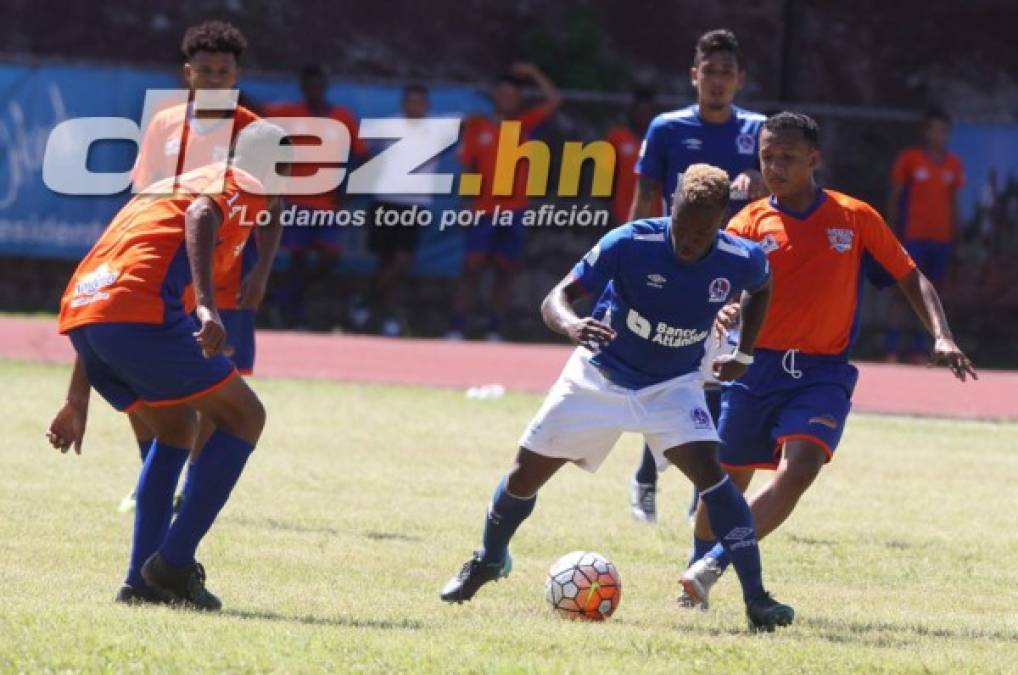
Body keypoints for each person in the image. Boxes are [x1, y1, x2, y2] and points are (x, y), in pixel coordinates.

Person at [439, 164, 795, 632]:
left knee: (713, 475)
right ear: (671, 207)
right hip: (600, 375)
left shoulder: (739, 256)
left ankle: (756, 599)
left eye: (702, 232)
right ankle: (488, 558)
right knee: (526, 473)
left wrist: (745, 352)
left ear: (719, 224)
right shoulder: (630, 242)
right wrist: (572, 324)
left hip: (672, 385)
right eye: (682, 227)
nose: (689, 241)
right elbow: (557, 297)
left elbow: (763, 286)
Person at [679, 113, 977, 610]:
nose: (775, 166)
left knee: (800, 469)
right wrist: (724, 309)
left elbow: (910, 277)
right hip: (754, 368)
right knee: (723, 484)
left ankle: (714, 565)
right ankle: (694, 574)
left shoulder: (854, 217)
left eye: (788, 157)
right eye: (767, 157)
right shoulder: (747, 223)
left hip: (822, 372)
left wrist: (942, 336)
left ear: (814, 159)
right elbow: (720, 287)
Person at [46, 121, 291, 610]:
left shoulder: (165, 188)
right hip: (136, 314)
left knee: (176, 428)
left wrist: (77, 398)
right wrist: (207, 305)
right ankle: (174, 562)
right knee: (246, 416)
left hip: (86, 315)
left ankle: (140, 581)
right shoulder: (244, 183)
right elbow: (203, 215)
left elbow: (110, 289)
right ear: (277, 170)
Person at [122, 19, 282, 513]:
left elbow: (271, 211)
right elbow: (140, 196)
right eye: (206, 71)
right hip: (163, 277)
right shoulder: (164, 124)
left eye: (224, 71)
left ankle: (188, 482)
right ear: (188, 72)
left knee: (214, 387)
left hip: (225, 282)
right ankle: (153, 473)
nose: (215, 79)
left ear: (237, 73)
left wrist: (262, 272)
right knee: (144, 383)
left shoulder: (253, 132)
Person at [627, 28, 768, 524]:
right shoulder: (666, 128)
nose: (718, 81)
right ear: (694, 76)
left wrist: (760, 179)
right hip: (674, 264)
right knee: (670, 371)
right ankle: (647, 475)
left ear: (740, 80)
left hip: (730, 267)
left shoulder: (758, 130)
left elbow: (784, 181)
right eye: (710, 71)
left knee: (714, 377)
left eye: (727, 73)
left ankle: (698, 490)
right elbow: (645, 196)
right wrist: (631, 254)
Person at [448, 62, 561, 341]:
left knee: (505, 271)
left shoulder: (525, 124)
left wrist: (534, 72)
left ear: (519, 98)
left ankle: (495, 329)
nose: (506, 98)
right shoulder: (478, 126)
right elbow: (469, 169)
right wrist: (465, 206)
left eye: (512, 94)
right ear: (495, 96)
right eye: (502, 93)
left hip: (515, 210)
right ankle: (457, 327)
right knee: (471, 269)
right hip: (483, 210)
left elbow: (555, 100)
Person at [263, 64, 368, 328]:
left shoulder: (342, 117)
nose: (314, 90)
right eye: (309, 85)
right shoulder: (290, 113)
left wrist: (348, 189)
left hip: (328, 202)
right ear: (303, 88)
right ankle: (293, 312)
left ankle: (286, 298)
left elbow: (362, 156)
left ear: (325, 86)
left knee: (330, 259)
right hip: (296, 200)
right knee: (297, 258)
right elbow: (256, 114)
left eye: (318, 85)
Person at [884, 108, 965, 363]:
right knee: (904, 292)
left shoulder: (953, 164)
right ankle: (892, 348)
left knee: (934, 295)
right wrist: (891, 230)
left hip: (941, 240)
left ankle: (922, 349)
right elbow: (896, 196)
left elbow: (954, 203)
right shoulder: (910, 160)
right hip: (913, 237)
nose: (938, 135)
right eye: (934, 129)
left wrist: (956, 236)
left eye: (943, 130)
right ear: (926, 132)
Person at [359, 84, 438, 336]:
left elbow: (470, 120)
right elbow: (360, 148)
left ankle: (365, 302)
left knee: (402, 262)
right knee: (385, 262)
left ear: (426, 106)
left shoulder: (438, 129)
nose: (414, 107)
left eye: (419, 102)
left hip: (415, 204)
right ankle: (386, 316)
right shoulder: (388, 126)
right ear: (404, 104)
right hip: (385, 200)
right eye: (410, 101)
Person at [604, 89, 656, 226]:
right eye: (640, 110)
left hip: (654, 218)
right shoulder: (616, 138)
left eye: (647, 110)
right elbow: (605, 179)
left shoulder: (660, 141)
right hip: (621, 214)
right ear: (632, 110)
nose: (643, 114)